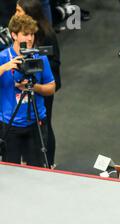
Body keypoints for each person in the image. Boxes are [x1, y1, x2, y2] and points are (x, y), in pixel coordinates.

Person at [0, 14, 55, 167]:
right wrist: (5, 67)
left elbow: (51, 88)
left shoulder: (39, 57)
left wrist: (32, 87)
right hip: (10, 124)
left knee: (37, 171)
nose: (30, 38)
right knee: (11, 172)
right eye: (25, 34)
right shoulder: (3, 57)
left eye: (32, 34)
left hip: (35, 122)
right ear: (14, 35)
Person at [16, 0, 61, 168]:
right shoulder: (20, 31)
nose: (16, 14)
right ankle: (29, 159)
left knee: (44, 123)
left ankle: (49, 162)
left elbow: (55, 63)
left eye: (19, 11)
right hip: (27, 83)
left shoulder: (46, 34)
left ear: (30, 13)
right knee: (28, 122)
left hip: (45, 85)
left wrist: (38, 70)